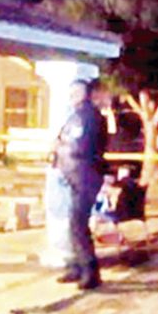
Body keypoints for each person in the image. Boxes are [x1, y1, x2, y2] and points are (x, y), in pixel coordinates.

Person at [51, 79, 109, 289]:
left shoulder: (89, 116)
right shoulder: (76, 116)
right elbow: (64, 139)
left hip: (86, 176)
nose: (71, 97)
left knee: (78, 223)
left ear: (85, 94)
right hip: (74, 176)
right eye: (70, 93)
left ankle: (90, 272)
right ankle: (76, 266)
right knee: (73, 222)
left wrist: (61, 147)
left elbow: (81, 146)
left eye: (75, 93)